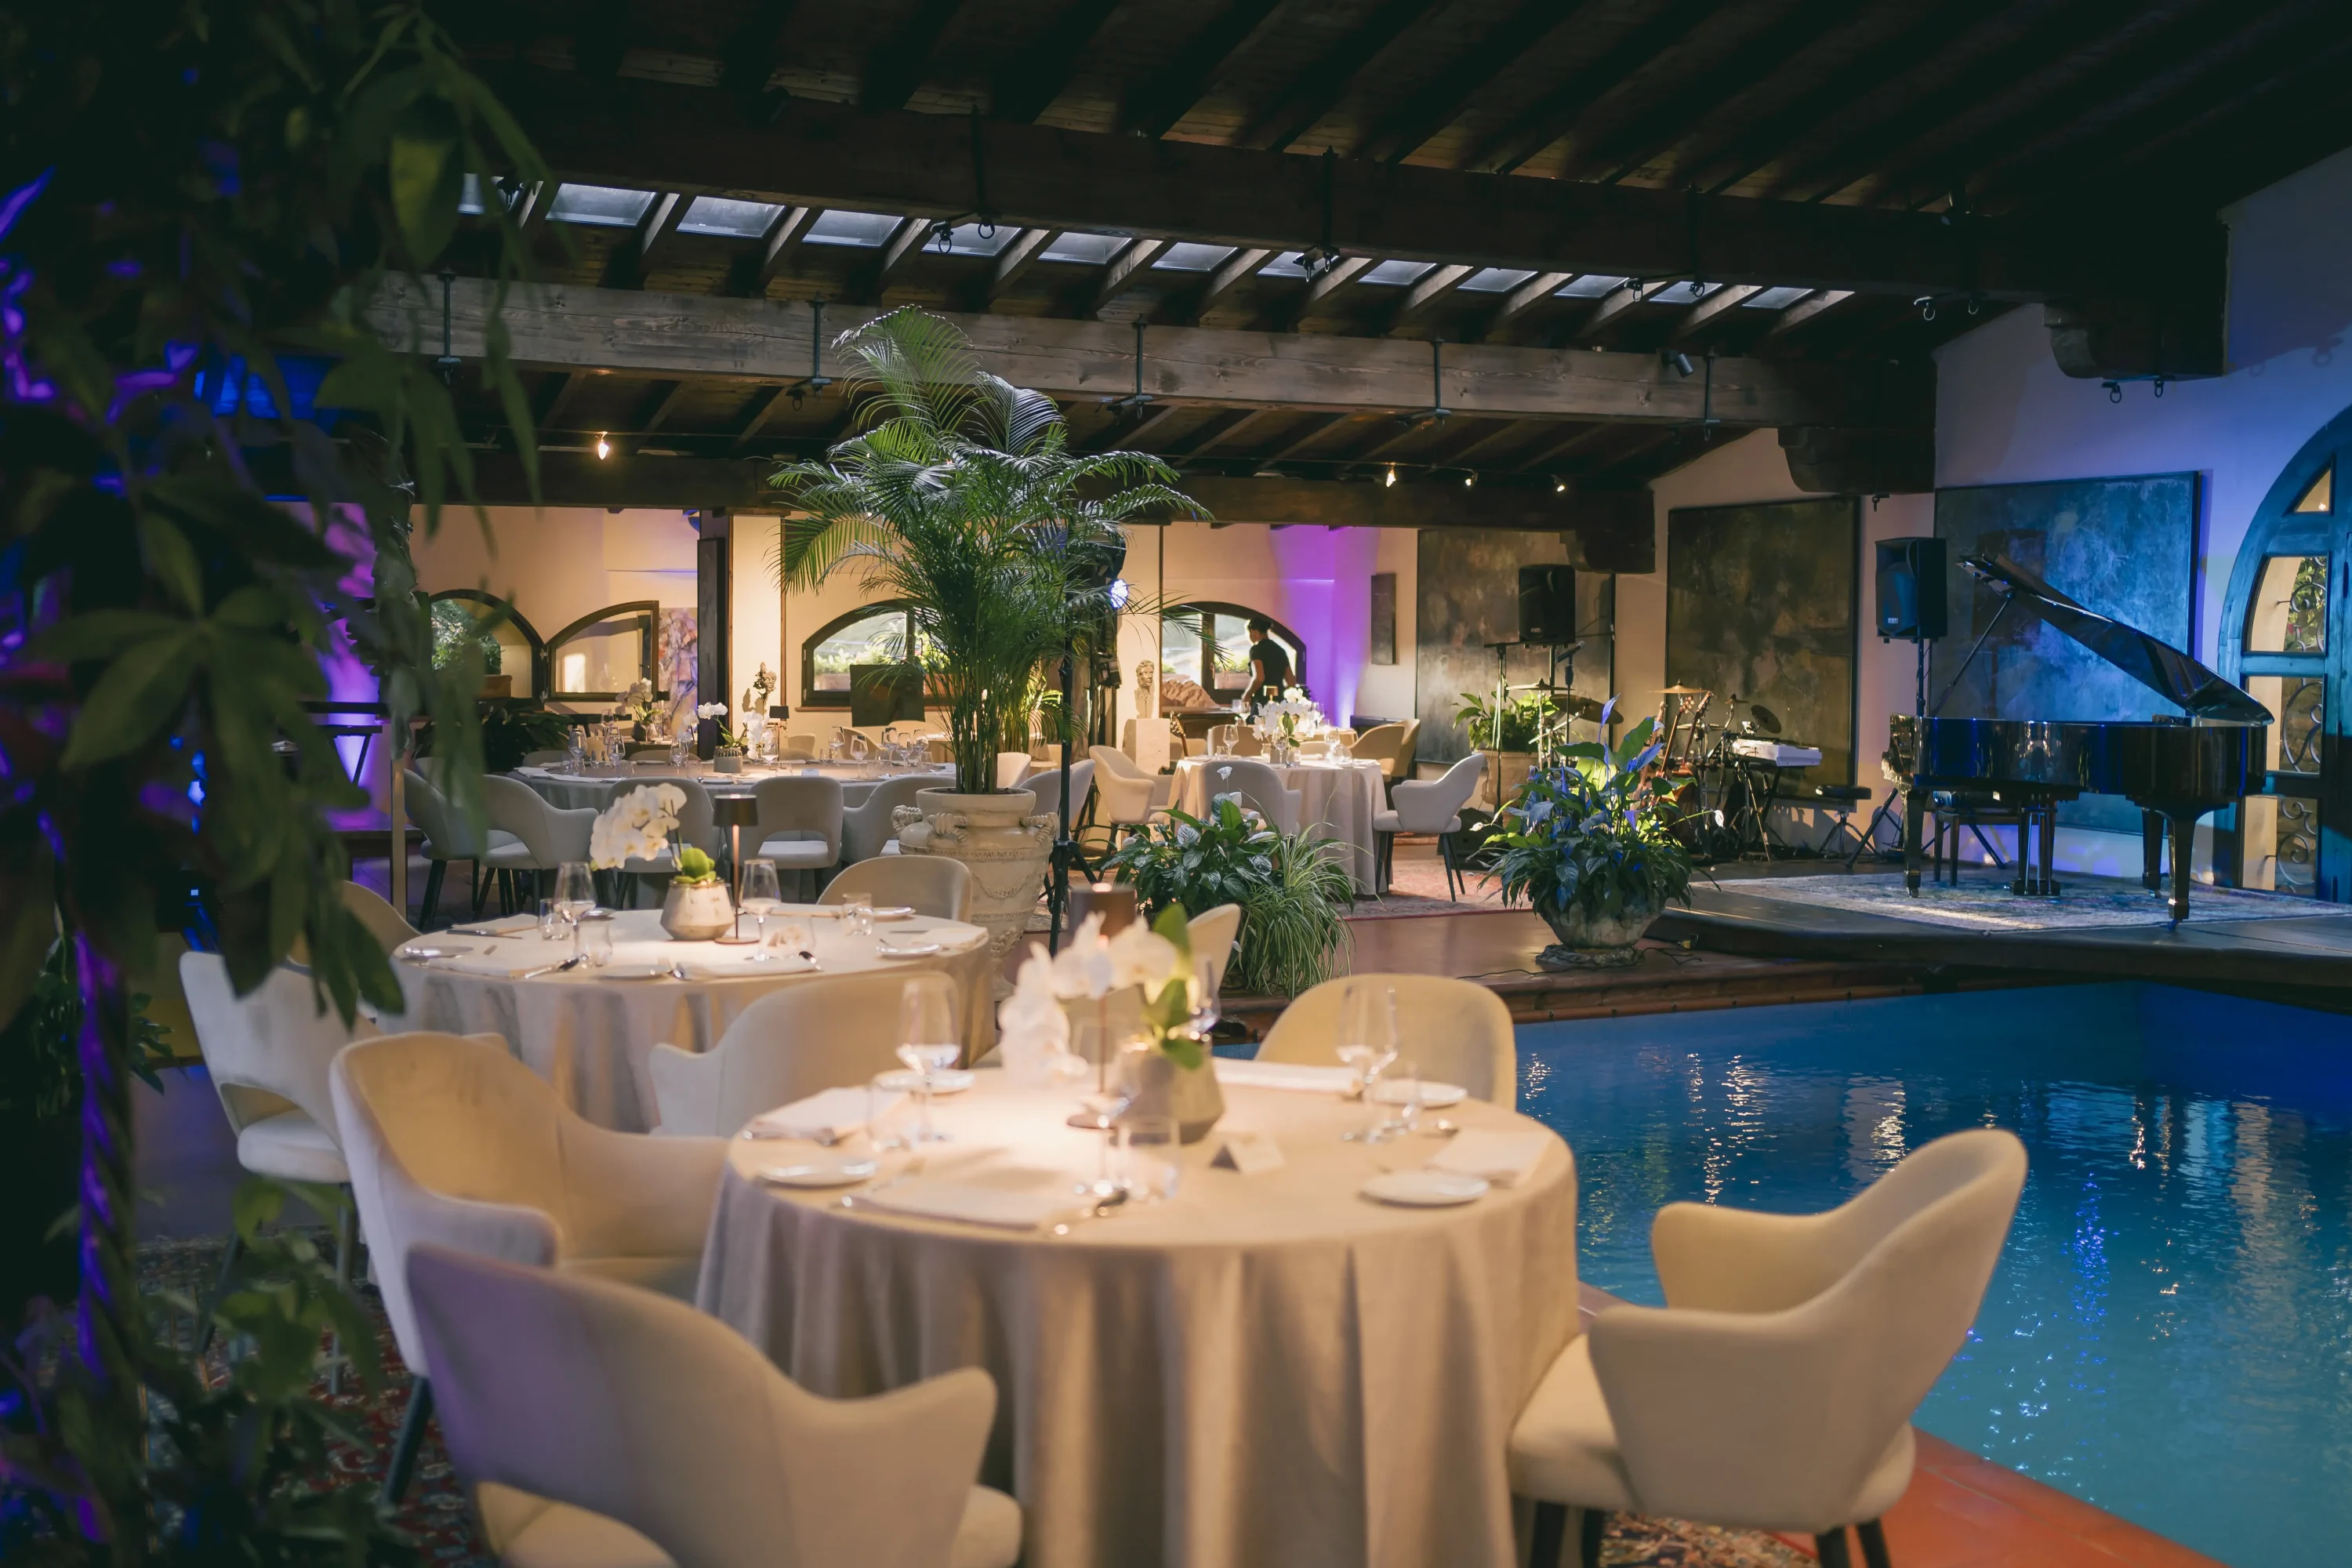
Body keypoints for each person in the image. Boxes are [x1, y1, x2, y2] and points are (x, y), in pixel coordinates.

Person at [1245, 617, 1292, 710]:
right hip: (1280, 703)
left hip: (1262, 703)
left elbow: (1259, 678)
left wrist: (1247, 695)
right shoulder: (1280, 650)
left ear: (1252, 632)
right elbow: (1291, 681)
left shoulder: (1256, 650)